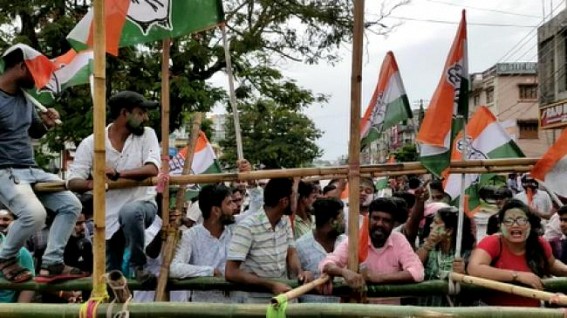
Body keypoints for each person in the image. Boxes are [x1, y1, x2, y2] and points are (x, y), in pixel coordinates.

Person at [0, 44, 84, 283]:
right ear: (19, 67)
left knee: (72, 205)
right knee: (35, 215)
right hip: (6, 171)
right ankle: (5, 257)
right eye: (34, 72)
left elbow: (33, 132)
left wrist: (46, 122)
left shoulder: (25, 99)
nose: (37, 80)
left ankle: (52, 262)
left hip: (31, 169)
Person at [67, 91, 160, 283]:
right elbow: (73, 180)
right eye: (141, 112)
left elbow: (152, 168)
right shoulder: (91, 142)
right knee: (109, 281)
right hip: (107, 219)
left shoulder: (147, 134)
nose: (146, 117)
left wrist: (118, 175)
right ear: (124, 113)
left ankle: (138, 266)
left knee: (130, 212)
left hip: (142, 206)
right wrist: (94, 183)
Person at [320, 197, 424, 304]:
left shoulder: (399, 240)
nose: (379, 224)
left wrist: (377, 278)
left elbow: (417, 272)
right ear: (368, 219)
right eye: (375, 218)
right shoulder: (355, 240)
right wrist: (344, 272)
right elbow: (327, 263)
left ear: (393, 224)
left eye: (386, 220)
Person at [225, 178, 313, 303]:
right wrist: (271, 285)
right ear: (284, 201)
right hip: (257, 304)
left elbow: (291, 252)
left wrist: (300, 272)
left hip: (285, 298)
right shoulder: (247, 227)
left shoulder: (285, 221)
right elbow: (231, 272)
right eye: (294, 196)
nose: (296, 201)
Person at [467, 199, 567, 307]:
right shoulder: (493, 242)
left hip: (534, 312)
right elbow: (474, 268)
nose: (515, 225)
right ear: (501, 226)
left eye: (521, 220)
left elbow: (552, 265)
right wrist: (517, 276)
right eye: (508, 221)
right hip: (497, 312)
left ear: (530, 224)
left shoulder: (539, 243)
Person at [170, 184, 237, 303]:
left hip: (235, 306)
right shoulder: (191, 236)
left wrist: (253, 186)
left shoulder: (234, 230)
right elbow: (174, 269)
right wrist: (211, 271)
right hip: (203, 308)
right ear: (216, 210)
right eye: (229, 203)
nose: (234, 207)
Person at [416, 206, 475, 306]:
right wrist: (428, 245)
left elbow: (473, 288)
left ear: (449, 231)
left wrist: (463, 273)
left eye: (436, 223)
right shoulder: (428, 249)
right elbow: (414, 268)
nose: (431, 226)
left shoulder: (467, 255)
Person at [296, 198, 346, 303]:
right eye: (342, 218)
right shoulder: (301, 246)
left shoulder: (346, 243)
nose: (344, 222)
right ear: (333, 222)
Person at [0, 209, 35, 303]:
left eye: (5, 219)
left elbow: (29, 286)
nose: (1, 222)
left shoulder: (21, 252)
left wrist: (18, 311)